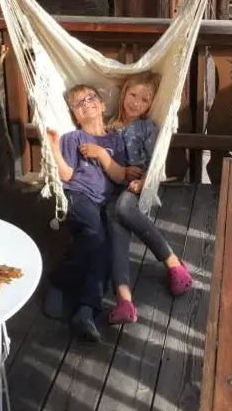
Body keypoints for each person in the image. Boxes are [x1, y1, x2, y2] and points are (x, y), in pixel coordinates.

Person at [107, 71, 192, 324]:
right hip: (112, 186)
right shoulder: (108, 126)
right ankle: (125, 302)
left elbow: (156, 162)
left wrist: (144, 181)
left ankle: (172, 264)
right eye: (133, 95)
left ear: (151, 105)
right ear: (124, 93)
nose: (136, 102)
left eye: (144, 100)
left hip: (138, 187)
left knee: (123, 208)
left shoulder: (147, 128)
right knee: (115, 219)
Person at [44, 84, 126, 342]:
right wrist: (54, 148)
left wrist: (101, 154)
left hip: (105, 202)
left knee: (105, 248)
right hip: (79, 196)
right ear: (75, 115)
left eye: (91, 98)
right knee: (95, 237)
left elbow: (119, 176)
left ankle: (85, 311)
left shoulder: (115, 140)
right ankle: (62, 284)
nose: (86, 103)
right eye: (79, 103)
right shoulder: (74, 138)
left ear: (102, 105)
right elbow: (67, 175)